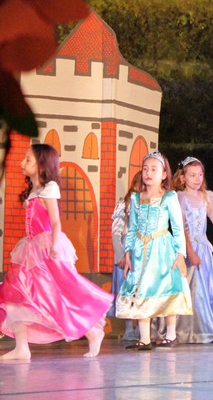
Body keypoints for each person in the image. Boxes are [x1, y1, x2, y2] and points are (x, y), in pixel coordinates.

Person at [0, 143, 113, 359]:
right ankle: (22, 347)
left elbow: (55, 222)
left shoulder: (49, 188)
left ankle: (92, 330)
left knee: (53, 297)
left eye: (28, 159)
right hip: (30, 251)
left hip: (44, 249)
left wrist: (53, 245)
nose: (22, 163)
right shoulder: (33, 192)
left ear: (42, 165)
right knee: (15, 292)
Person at [116, 151, 193, 350]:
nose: (148, 173)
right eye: (145, 169)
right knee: (141, 289)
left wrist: (180, 254)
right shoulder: (136, 198)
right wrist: (127, 253)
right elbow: (132, 228)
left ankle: (171, 334)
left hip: (162, 249)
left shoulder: (169, 197)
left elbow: (177, 228)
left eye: (153, 169)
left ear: (164, 174)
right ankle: (145, 338)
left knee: (166, 287)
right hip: (140, 250)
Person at [171, 156, 213, 343]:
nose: (197, 179)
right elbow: (181, 227)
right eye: (192, 175)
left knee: (204, 291)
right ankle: (182, 331)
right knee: (187, 289)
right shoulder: (180, 197)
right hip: (186, 250)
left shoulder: (205, 197)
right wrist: (190, 251)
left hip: (203, 249)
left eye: (200, 174)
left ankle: (200, 330)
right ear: (183, 177)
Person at [108, 170, 142, 342]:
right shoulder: (124, 204)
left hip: (142, 251)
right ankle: (129, 328)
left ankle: (142, 328)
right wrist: (120, 254)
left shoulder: (149, 203)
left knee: (141, 290)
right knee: (127, 289)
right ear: (134, 185)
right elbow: (116, 231)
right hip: (127, 249)